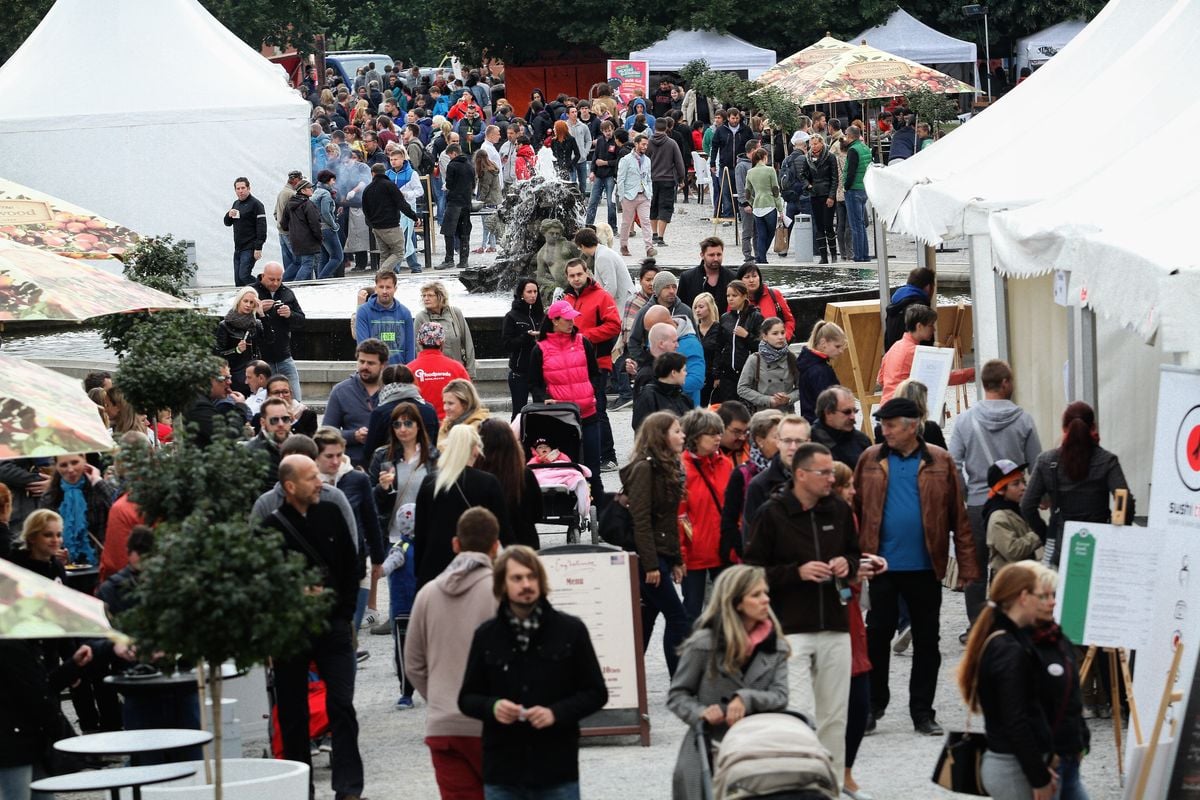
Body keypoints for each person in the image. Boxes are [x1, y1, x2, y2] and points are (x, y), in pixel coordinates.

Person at [853, 397, 978, 737]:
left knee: (927, 641)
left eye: (890, 424)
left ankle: (922, 712)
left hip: (925, 568)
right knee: (876, 639)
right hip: (881, 568)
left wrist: (967, 566)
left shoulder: (940, 461)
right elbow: (856, 511)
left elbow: (959, 518)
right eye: (883, 424)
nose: (883, 430)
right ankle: (873, 706)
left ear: (911, 426)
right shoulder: (869, 460)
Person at [745, 442, 862, 783]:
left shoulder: (839, 510)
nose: (831, 478)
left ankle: (833, 785)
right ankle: (799, 784)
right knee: (798, 713)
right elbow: (751, 571)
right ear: (800, 475)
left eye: (831, 471)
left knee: (835, 716)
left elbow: (856, 555)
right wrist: (796, 573)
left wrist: (848, 564)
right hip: (791, 629)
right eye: (823, 472)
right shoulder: (772, 513)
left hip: (836, 625)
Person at [458, 545, 608, 799]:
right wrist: (493, 707)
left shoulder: (571, 630)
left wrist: (556, 713)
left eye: (532, 576)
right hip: (503, 772)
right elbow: (467, 698)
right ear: (502, 585)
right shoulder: (487, 635)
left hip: (556, 770)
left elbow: (596, 692)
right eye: (517, 578)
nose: (526, 584)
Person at [264, 455, 364, 800]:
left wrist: (345, 614)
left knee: (341, 704)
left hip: (333, 626)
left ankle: (349, 786)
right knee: (293, 714)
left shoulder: (332, 513)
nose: (319, 481)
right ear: (290, 487)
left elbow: (352, 567)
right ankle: (298, 787)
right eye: (310, 478)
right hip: (291, 632)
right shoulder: (271, 528)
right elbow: (263, 583)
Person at [667, 565, 789, 799]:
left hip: (759, 747)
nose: (766, 600)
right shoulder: (704, 643)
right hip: (708, 745)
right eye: (756, 595)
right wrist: (701, 713)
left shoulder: (776, 646)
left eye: (765, 592)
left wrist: (746, 698)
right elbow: (678, 695)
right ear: (736, 602)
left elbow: (781, 697)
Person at [406, 507, 501, 798]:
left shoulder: (427, 594)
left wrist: (438, 698)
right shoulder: (502, 592)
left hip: (444, 724)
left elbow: (413, 664)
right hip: (494, 723)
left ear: (455, 545)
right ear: (496, 546)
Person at [948, 359, 1042, 626]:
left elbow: (953, 464)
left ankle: (978, 627)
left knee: (975, 568)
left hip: (978, 505)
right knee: (1011, 565)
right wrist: (1034, 498)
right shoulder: (1023, 419)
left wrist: (967, 494)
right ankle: (1010, 620)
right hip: (1014, 506)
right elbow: (1036, 464)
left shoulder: (966, 420)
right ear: (1005, 383)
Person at [956, 563, 1056, 800]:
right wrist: (1039, 777)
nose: (1047, 602)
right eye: (1039, 595)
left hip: (1013, 765)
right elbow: (1016, 721)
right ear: (1024, 597)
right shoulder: (1009, 650)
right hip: (1013, 770)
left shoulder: (1004, 638)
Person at [1022, 401, 1132, 568]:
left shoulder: (1046, 461)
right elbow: (1124, 502)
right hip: (1098, 547)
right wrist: (1115, 531)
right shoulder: (1107, 461)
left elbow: (1027, 505)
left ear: (1064, 429)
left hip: (1061, 548)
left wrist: (1046, 534)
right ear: (1093, 427)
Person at [621, 411, 690, 677]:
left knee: (646, 621)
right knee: (678, 617)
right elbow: (641, 520)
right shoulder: (644, 469)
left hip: (660, 554)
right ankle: (680, 682)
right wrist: (651, 564)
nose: (682, 435)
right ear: (661, 436)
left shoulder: (668, 466)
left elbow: (668, 521)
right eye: (676, 431)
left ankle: (626, 681)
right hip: (647, 558)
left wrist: (676, 559)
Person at [414, 426, 511, 587]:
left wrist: (419, 572)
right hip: (477, 570)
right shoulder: (488, 483)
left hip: (435, 570)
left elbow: (420, 533)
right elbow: (504, 531)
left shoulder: (430, 483)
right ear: (475, 449)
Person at [529, 299, 604, 502]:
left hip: (588, 413)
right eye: (567, 319)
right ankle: (571, 508)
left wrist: (592, 391)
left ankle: (602, 518)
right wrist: (544, 399)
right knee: (567, 468)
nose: (572, 322)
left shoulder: (583, 342)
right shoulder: (540, 349)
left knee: (593, 470)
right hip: (561, 419)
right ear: (554, 320)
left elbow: (595, 373)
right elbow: (534, 383)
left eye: (573, 318)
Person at [314, 427, 386, 634]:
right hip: (321, 567)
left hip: (356, 562)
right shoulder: (309, 481)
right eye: (329, 456)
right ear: (316, 456)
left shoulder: (357, 479)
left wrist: (378, 560)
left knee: (349, 628)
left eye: (339, 455)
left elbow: (371, 519)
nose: (335, 461)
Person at [1029, 565, 1090, 800]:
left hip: (1070, 756)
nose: (1053, 602)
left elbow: (1072, 696)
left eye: (1053, 595)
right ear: (1023, 598)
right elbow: (1021, 714)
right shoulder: (1017, 647)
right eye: (1044, 596)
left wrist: (1082, 740)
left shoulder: (1058, 638)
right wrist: (1041, 763)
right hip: (1047, 762)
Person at [560, 258, 621, 472]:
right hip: (573, 364)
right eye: (572, 275)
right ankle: (585, 454)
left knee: (598, 408)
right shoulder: (566, 298)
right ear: (567, 277)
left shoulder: (602, 296)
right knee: (578, 409)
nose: (576, 278)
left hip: (597, 362)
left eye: (579, 274)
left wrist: (584, 337)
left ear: (587, 273)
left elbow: (614, 326)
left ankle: (608, 455)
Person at [679, 409, 732, 622]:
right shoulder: (681, 469)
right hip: (694, 555)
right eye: (712, 434)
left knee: (727, 610)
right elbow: (678, 515)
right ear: (695, 436)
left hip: (722, 551)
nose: (718, 438)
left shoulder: (725, 464)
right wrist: (680, 555)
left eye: (719, 432)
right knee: (691, 612)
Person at [476, 419, 543, 550]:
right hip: (525, 544)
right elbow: (537, 513)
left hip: (489, 545)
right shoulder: (525, 474)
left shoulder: (478, 477)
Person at [39, 454, 113, 566]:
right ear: (57, 467)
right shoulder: (51, 497)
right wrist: (55, 552)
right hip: (67, 568)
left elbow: (117, 507)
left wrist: (98, 481)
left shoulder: (98, 488)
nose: (70, 469)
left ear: (84, 460)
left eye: (75, 463)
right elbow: (43, 533)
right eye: (63, 465)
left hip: (100, 564)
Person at [324, 338, 388, 467]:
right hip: (352, 464)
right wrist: (354, 436)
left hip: (386, 463)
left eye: (370, 363)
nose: (364, 367)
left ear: (383, 365)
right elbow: (326, 432)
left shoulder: (393, 390)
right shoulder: (341, 391)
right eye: (361, 361)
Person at [251, 262, 306, 401]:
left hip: (284, 355)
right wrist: (257, 311)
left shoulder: (287, 292)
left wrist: (290, 314)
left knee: (296, 400)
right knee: (262, 402)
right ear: (263, 276)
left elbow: (301, 321)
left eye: (279, 279)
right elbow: (239, 317)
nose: (275, 283)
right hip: (261, 358)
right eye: (271, 279)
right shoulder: (251, 292)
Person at [362, 162, 420, 272]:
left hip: (376, 227)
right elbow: (402, 204)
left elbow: (365, 209)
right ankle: (381, 274)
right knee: (399, 252)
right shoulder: (390, 185)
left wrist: (371, 224)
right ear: (385, 173)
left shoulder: (367, 189)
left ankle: (384, 280)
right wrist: (414, 217)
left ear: (372, 174)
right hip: (391, 225)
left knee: (384, 254)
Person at [712, 279, 763, 404]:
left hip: (749, 374)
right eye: (728, 296)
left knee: (748, 409)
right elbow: (718, 347)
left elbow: (763, 345)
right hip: (728, 375)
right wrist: (717, 375)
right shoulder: (725, 318)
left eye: (734, 295)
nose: (730, 299)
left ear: (744, 296)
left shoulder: (755, 316)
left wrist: (746, 336)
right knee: (730, 409)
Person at [216, 287, 273, 397]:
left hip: (255, 375)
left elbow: (270, 339)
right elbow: (218, 354)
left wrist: (262, 314)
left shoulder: (256, 324)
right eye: (245, 301)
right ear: (239, 301)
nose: (248, 305)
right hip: (236, 376)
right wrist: (236, 350)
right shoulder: (225, 325)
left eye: (252, 302)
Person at [408, 322, 471, 420]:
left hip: (421, 427)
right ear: (442, 342)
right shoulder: (457, 368)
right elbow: (469, 399)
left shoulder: (409, 369)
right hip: (451, 426)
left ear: (420, 341)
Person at [502, 277, 545, 417]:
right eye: (529, 292)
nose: (533, 295)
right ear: (521, 294)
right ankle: (516, 438)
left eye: (535, 291)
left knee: (543, 411)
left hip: (541, 372)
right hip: (520, 372)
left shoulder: (542, 316)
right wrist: (525, 337)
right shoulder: (511, 316)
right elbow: (506, 345)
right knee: (519, 413)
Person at [737, 317, 799, 414]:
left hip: (787, 416)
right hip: (763, 417)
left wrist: (789, 398)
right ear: (765, 336)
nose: (780, 337)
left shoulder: (791, 357)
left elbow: (803, 387)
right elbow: (742, 388)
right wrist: (768, 400)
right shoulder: (755, 359)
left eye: (782, 332)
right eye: (775, 333)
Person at [414, 281, 476, 376]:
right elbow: (418, 350)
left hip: (457, 372)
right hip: (434, 374)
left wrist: (470, 373)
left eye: (430, 295)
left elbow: (468, 343)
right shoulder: (421, 318)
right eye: (424, 296)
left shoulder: (455, 313)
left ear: (440, 297)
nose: (426, 299)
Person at [354, 270, 415, 366]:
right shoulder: (363, 311)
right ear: (376, 288)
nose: (384, 291)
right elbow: (363, 345)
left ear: (395, 289)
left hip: (398, 371)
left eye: (388, 287)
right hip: (374, 372)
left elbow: (410, 348)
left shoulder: (405, 313)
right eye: (381, 287)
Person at [574, 228, 635, 314]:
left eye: (579, 248)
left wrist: (598, 306)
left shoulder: (602, 257)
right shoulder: (604, 252)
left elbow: (611, 287)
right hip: (623, 300)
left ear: (582, 246)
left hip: (623, 303)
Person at [799, 134, 839, 263]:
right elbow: (802, 175)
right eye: (811, 144)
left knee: (828, 225)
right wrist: (808, 185)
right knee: (819, 226)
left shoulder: (830, 157)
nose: (813, 147)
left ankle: (833, 254)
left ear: (822, 143)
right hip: (814, 194)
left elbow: (834, 178)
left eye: (816, 144)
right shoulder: (808, 158)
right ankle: (823, 256)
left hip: (827, 194)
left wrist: (831, 196)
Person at [796, 321, 846, 422]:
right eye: (837, 346)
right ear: (823, 343)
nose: (841, 351)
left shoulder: (809, 363)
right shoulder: (819, 370)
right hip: (822, 427)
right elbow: (828, 405)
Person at [810, 386, 871, 468]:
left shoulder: (862, 440)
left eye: (855, 411)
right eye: (847, 412)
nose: (853, 417)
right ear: (828, 413)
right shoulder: (810, 440)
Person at [647, 118, 685, 248]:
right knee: (665, 207)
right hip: (668, 179)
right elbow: (679, 162)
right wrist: (681, 178)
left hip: (651, 179)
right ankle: (661, 238)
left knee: (653, 206)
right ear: (667, 128)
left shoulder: (648, 143)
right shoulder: (672, 143)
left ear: (654, 128)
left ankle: (654, 234)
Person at [616, 133, 656, 258]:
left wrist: (650, 192)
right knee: (626, 223)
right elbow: (620, 178)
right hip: (629, 195)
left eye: (646, 145)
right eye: (643, 144)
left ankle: (649, 247)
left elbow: (648, 178)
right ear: (636, 144)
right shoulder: (626, 160)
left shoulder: (647, 160)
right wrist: (622, 196)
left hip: (644, 195)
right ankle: (624, 246)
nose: (645, 147)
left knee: (645, 221)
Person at [632, 352, 693, 430]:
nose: (686, 373)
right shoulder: (649, 396)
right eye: (684, 370)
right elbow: (641, 428)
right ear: (673, 373)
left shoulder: (683, 397)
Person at [736, 262, 795, 342]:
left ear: (759, 278)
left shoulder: (774, 294)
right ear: (740, 280)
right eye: (747, 277)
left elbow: (789, 320)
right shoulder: (736, 298)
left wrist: (784, 338)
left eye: (754, 276)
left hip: (776, 346)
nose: (751, 280)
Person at [225, 176, 267, 286]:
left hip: (250, 247)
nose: (240, 191)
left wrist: (258, 247)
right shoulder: (236, 204)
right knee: (238, 281)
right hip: (238, 248)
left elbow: (262, 227)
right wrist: (228, 214)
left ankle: (263, 288)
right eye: (238, 189)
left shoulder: (256, 204)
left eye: (243, 188)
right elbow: (227, 223)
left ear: (248, 188)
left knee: (244, 275)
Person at [744, 149, 784, 265]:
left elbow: (747, 193)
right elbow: (776, 191)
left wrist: (753, 201)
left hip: (757, 207)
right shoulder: (770, 170)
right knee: (770, 233)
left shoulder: (750, 172)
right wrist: (780, 209)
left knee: (761, 234)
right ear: (764, 157)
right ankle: (762, 257)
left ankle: (761, 258)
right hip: (769, 205)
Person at [246, 396, 294, 491]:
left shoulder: (301, 448)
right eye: (274, 420)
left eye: (285, 419)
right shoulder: (250, 453)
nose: (281, 424)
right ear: (263, 423)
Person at [883, 268, 935, 352]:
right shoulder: (920, 309)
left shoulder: (895, 304)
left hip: (894, 356)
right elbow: (925, 346)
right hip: (912, 360)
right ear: (929, 287)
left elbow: (886, 339)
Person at [677, 236, 735, 310]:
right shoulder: (687, 278)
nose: (716, 258)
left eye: (719, 254)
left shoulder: (732, 277)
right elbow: (681, 307)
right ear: (702, 255)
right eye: (711, 255)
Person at [281, 179, 323, 281]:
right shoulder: (308, 204)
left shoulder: (289, 204)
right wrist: (319, 237)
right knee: (308, 264)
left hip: (295, 239)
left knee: (299, 263)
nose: (312, 189)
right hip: (308, 240)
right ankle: (296, 285)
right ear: (303, 191)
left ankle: (286, 283)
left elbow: (283, 223)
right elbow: (315, 224)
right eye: (309, 188)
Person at [441, 144, 475, 268]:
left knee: (448, 231)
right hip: (466, 203)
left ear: (454, 153)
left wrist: (446, 187)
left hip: (454, 202)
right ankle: (464, 260)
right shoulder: (469, 165)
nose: (449, 158)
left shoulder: (452, 165)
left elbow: (449, 184)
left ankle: (449, 259)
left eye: (449, 155)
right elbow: (473, 184)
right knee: (464, 232)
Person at [842, 126, 872, 262]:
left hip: (853, 189)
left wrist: (846, 186)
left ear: (850, 136)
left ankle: (859, 255)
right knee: (861, 225)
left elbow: (851, 171)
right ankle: (865, 254)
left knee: (855, 225)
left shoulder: (853, 150)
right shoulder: (865, 147)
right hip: (864, 188)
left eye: (846, 135)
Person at [587, 119, 620, 229]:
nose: (608, 133)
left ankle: (613, 227)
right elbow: (595, 158)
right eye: (605, 131)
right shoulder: (600, 141)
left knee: (611, 203)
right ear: (602, 131)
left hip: (610, 175)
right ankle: (588, 225)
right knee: (592, 202)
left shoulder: (616, 142)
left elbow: (619, 160)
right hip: (598, 175)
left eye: (609, 130)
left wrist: (605, 163)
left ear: (613, 130)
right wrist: (592, 171)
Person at [691, 292, 722, 405]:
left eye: (701, 307)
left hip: (713, 376)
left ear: (710, 308)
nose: (697, 310)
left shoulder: (719, 329)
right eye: (695, 307)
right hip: (696, 374)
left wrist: (717, 377)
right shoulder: (693, 330)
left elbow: (720, 354)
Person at [274, 170, 304, 275]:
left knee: (288, 261)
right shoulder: (292, 194)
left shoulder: (282, 192)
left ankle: (288, 283)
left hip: (281, 231)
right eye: (300, 179)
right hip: (289, 232)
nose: (301, 182)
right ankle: (284, 280)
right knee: (298, 261)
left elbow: (275, 213)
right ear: (295, 179)